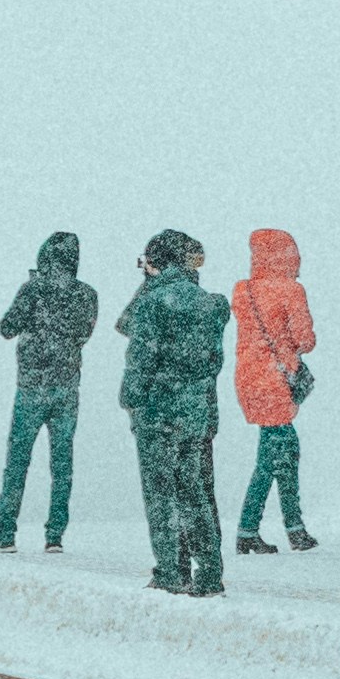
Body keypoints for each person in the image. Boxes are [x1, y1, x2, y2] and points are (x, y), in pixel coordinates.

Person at [117, 227, 229, 597]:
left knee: (162, 494)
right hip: (197, 414)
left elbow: (137, 351)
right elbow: (212, 361)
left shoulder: (153, 303)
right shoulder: (211, 304)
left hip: (158, 413)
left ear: (155, 262)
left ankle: (171, 571)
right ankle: (210, 573)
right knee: (196, 492)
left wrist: (130, 399)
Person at [0, 230, 94, 552]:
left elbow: (6, 327)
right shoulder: (87, 295)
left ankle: (5, 533)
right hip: (67, 387)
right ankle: (55, 536)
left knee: (17, 462)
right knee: (62, 465)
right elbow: (83, 333)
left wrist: (32, 298)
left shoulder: (32, 289)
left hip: (31, 387)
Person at [230, 226, 319, 555]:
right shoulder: (290, 290)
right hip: (276, 381)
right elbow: (305, 340)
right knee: (273, 458)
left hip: (249, 380)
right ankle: (250, 530)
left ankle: (292, 529)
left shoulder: (244, 290)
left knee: (284, 451)